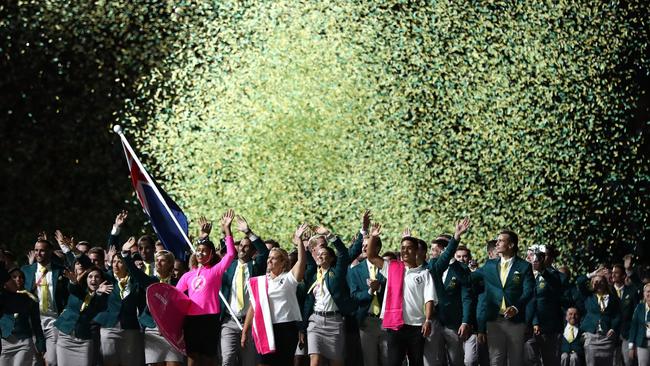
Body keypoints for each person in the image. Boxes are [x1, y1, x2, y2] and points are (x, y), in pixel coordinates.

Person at [366, 223, 437, 366]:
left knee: (416, 362)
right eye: (402, 248)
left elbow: (429, 299)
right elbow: (371, 256)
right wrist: (373, 237)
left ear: (416, 251)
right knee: (393, 362)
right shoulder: (391, 267)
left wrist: (428, 320)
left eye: (409, 248)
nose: (405, 251)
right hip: (395, 325)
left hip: (417, 326)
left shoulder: (424, 273)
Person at [241, 223, 307, 366]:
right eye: (269, 257)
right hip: (264, 326)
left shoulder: (289, 278)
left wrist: (300, 241)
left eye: (274, 258)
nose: (269, 260)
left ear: (283, 262)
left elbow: (302, 261)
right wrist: (245, 330)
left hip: (286, 328)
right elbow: (254, 306)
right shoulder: (259, 281)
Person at [176, 209, 236, 366]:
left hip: (210, 318)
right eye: (198, 251)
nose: (200, 253)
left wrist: (227, 229)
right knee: (192, 356)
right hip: (191, 320)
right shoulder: (188, 275)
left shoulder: (215, 271)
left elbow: (230, 255)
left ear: (211, 254)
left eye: (204, 251)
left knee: (209, 356)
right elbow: (175, 296)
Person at [303, 223, 362, 366]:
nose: (320, 256)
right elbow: (308, 302)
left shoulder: (337, 271)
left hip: (334, 322)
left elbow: (342, 253)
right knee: (315, 362)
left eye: (324, 254)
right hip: (315, 322)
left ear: (330, 258)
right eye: (318, 254)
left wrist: (330, 235)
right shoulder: (312, 274)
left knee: (336, 363)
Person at [473, 230, 535, 366]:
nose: (497, 243)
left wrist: (516, 307)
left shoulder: (524, 266)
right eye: (497, 240)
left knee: (516, 361)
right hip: (494, 321)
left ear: (511, 245)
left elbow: (529, 291)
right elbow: (468, 279)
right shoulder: (489, 265)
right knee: (495, 361)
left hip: (516, 321)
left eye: (501, 240)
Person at [121, 239, 184, 366]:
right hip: (153, 332)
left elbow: (183, 309)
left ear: (171, 265)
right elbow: (135, 273)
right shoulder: (151, 282)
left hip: (172, 333)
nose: (158, 263)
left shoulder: (180, 284)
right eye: (157, 261)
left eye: (162, 260)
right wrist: (125, 254)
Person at [220, 215, 270, 366]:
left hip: (250, 323)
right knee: (227, 361)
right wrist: (227, 230)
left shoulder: (256, 267)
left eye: (246, 246)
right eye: (240, 245)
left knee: (248, 362)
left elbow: (264, 252)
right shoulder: (229, 266)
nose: (242, 248)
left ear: (252, 251)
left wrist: (248, 232)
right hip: (229, 321)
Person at [424, 218, 471, 366]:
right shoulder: (432, 266)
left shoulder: (462, 269)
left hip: (454, 322)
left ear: (445, 250)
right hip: (435, 320)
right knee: (435, 361)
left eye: (434, 250)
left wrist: (465, 321)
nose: (431, 253)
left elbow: (466, 297)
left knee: (456, 360)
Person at [348, 211, 388, 366]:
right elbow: (355, 295)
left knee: (388, 361)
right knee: (369, 362)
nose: (364, 249)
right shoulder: (355, 270)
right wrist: (370, 291)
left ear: (376, 248)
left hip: (386, 321)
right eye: (363, 246)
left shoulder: (387, 267)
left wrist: (381, 286)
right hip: (367, 321)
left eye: (368, 245)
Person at [94, 248, 146, 366]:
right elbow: (89, 268)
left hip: (131, 328)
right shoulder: (107, 279)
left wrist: (145, 325)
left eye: (119, 261)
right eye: (113, 261)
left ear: (127, 264)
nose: (115, 265)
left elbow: (143, 306)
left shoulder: (136, 281)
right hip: (109, 328)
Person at [21, 238, 68, 366]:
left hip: (53, 321)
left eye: (42, 251)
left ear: (50, 252)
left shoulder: (60, 270)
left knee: (52, 361)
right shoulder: (26, 270)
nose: (38, 253)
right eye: (36, 250)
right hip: (33, 322)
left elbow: (67, 294)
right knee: (35, 361)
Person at [54, 266, 112, 366]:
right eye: (90, 277)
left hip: (84, 340)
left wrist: (98, 293)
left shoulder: (103, 298)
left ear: (102, 280)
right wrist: (73, 281)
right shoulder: (80, 291)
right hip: (65, 336)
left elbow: (95, 309)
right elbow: (73, 288)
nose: (93, 279)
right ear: (86, 279)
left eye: (97, 277)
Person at [0, 267, 46, 366]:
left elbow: (36, 324)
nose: (18, 279)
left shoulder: (30, 298)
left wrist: (40, 344)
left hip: (23, 342)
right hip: (4, 342)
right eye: (14, 277)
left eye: (21, 277)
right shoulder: (2, 297)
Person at [576, 270, 621, 366]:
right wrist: (592, 274)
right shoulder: (588, 296)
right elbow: (579, 281)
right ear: (592, 284)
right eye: (595, 282)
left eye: (601, 281)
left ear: (605, 283)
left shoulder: (613, 298)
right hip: (591, 335)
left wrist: (613, 328)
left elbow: (617, 315)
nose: (598, 284)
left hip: (607, 336)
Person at [611, 263, 640, 366]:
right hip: (612, 333)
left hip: (627, 333)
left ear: (623, 276)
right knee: (614, 363)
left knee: (628, 362)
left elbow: (637, 314)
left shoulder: (632, 291)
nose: (613, 275)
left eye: (616, 273)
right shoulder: (608, 291)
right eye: (612, 272)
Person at [627, 283, 650, 366]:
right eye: (648, 291)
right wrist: (631, 346)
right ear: (644, 293)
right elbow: (634, 327)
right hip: (642, 343)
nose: (649, 294)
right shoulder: (639, 307)